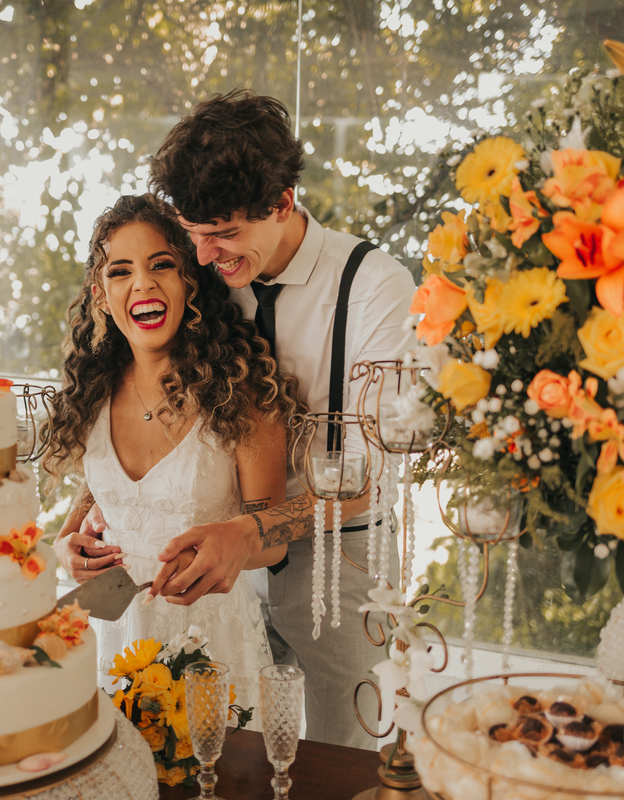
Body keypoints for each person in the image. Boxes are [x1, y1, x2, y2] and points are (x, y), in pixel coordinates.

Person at [81, 90, 417, 747]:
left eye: (224, 234)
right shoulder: (206, 266)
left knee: (335, 760)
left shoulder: (375, 288)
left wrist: (253, 529)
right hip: (210, 569)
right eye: (195, 236)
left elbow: (371, 477)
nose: (205, 258)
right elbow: (157, 410)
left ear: (283, 202)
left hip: (338, 569)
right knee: (229, 755)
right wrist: (87, 512)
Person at [45, 194, 298, 718]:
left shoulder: (241, 391)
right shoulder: (92, 392)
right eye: (121, 272)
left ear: (189, 281)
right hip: (109, 639)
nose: (143, 284)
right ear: (101, 294)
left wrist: (229, 550)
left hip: (212, 644)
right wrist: (64, 542)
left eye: (162, 264)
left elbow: (272, 538)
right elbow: (104, 493)